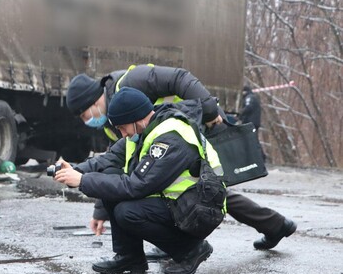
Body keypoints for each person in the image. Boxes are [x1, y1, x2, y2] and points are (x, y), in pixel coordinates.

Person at [65, 65, 296, 255]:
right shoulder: (114, 121)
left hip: (187, 126)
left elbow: (179, 78)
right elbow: (119, 163)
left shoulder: (131, 82)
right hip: (168, 141)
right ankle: (275, 224)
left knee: (205, 190)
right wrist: (100, 210)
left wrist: (209, 110)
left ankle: (271, 225)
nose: (89, 121)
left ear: (93, 102)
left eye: (86, 115)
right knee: (200, 189)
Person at [54, 87, 218, 274]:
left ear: (136, 118)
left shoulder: (170, 138)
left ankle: (191, 250)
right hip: (179, 201)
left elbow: (136, 186)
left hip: (201, 207)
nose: (122, 134)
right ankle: (129, 257)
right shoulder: (143, 131)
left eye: (123, 128)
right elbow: (107, 160)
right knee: (110, 175)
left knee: (128, 212)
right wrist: (74, 170)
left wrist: (82, 181)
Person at [240, 85, 266, 159]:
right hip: (253, 122)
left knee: (252, 139)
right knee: (252, 139)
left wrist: (240, 114)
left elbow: (248, 107)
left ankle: (260, 156)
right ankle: (258, 156)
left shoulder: (249, 97)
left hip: (251, 123)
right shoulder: (253, 97)